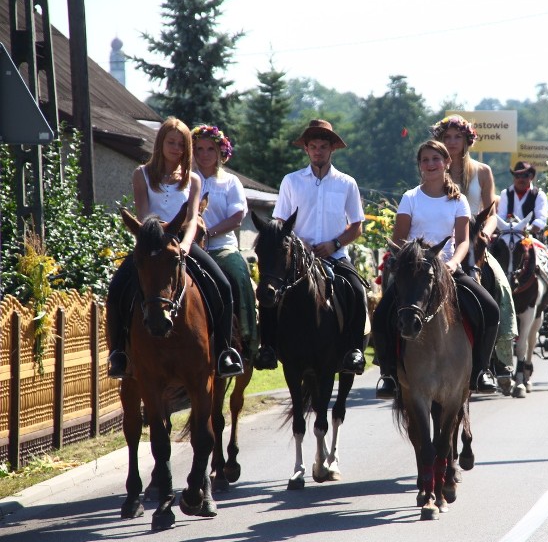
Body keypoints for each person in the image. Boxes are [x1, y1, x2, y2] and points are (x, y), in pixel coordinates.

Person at [106, 116, 244, 379]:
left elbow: (193, 218)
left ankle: (225, 352)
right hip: (151, 247)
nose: (177, 148)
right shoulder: (142, 174)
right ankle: (118, 354)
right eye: (172, 142)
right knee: (116, 290)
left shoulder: (193, 179)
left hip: (182, 246)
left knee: (224, 287)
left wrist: (185, 245)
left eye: (181, 144)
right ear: (161, 144)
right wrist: (161, 232)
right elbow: (145, 217)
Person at [373, 139, 500, 399]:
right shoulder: (410, 198)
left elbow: (464, 241)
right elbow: (399, 240)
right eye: (425, 160)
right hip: (415, 272)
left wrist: (453, 263)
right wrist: (409, 261)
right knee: (382, 313)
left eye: (435, 159)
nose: (430, 164)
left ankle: (481, 369)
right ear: (420, 166)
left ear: (446, 163)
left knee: (490, 308)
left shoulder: (459, 200)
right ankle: (388, 373)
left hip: (448, 268)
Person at [257, 119, 368, 375]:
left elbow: (356, 226)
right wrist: (298, 243)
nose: (318, 151)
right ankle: (268, 348)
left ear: (332, 150)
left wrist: (335, 243)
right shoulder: (291, 181)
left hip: (335, 255)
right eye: (313, 146)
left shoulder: (346, 183)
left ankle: (354, 350)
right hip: (295, 258)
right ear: (306, 149)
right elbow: (280, 222)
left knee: (356, 290)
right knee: (269, 291)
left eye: (323, 146)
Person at [430, 114, 515, 386]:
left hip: (475, 239)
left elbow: (491, 211)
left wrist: (486, 233)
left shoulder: (482, 171)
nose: (452, 142)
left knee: (501, 287)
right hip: (442, 241)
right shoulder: (434, 168)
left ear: (468, 140)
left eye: (457, 137)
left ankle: (496, 361)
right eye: (447, 137)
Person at [191, 124, 258, 362]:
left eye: (210, 148)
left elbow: (237, 217)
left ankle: (244, 342)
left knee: (237, 278)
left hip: (222, 246)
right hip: (189, 246)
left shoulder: (231, 182)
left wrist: (208, 233)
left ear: (220, 152)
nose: (204, 154)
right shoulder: (185, 180)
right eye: (199, 149)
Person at [496, 161, 548, 236]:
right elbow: (501, 217)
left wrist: (528, 229)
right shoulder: (505, 194)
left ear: (531, 177)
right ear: (514, 177)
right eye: (517, 176)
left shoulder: (539, 195)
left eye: (524, 175)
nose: (520, 179)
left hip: (531, 237)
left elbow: (541, 219)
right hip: (508, 236)